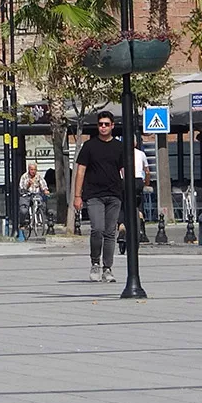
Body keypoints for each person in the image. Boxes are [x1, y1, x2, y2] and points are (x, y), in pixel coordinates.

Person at [73, 112, 125, 283]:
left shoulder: (119, 147)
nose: (103, 127)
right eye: (101, 124)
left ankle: (107, 268)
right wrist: (77, 195)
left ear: (112, 126)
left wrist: (128, 193)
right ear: (97, 126)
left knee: (110, 232)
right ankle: (95, 262)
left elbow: (125, 171)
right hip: (94, 195)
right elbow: (80, 170)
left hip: (114, 195)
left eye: (106, 124)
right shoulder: (89, 146)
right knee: (97, 229)